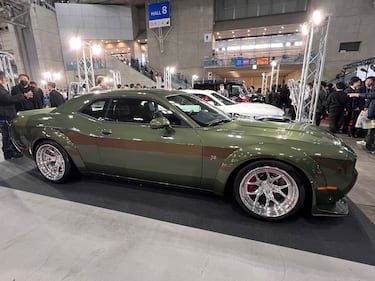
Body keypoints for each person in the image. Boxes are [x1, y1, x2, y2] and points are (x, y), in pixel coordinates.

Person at [0, 71, 33, 160]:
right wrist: (23, 95)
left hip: (7, 116)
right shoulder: (2, 89)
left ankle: (11, 151)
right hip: (5, 116)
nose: (6, 79)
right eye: (5, 78)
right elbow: (8, 99)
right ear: (1, 79)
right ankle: (8, 152)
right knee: (7, 136)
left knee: (9, 135)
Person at [348, 88, 375, 153]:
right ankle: (369, 144)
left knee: (373, 130)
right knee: (372, 129)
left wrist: (356, 94)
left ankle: (371, 147)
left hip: (373, 114)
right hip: (372, 114)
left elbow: (371, 95)